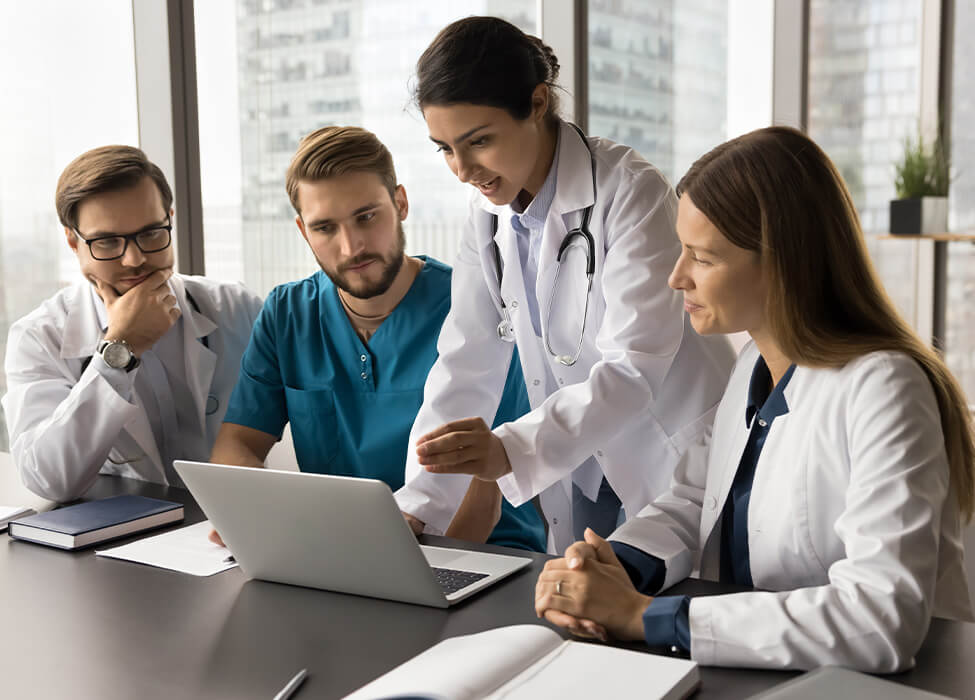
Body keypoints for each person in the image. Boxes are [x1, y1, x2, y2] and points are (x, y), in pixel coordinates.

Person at [533, 126, 975, 672]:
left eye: (702, 257)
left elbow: (881, 616)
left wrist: (646, 617)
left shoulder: (885, 388)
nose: (676, 278)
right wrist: (616, 564)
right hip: (761, 673)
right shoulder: (751, 368)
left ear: (783, 263)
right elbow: (697, 498)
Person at [395, 16, 736, 553]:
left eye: (478, 141)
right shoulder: (487, 216)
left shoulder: (630, 191)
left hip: (667, 456)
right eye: (444, 148)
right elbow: (466, 360)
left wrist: (509, 449)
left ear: (535, 104)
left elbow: (633, 367)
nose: (462, 169)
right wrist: (417, 504)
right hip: (577, 469)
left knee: (662, 616)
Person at [209, 126, 545, 551]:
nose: (352, 247)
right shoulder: (287, 313)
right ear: (302, 231)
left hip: (482, 554)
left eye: (366, 217)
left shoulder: (479, 307)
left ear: (400, 203)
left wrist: (406, 573)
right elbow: (236, 444)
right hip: (342, 557)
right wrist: (250, 511)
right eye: (326, 228)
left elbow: (486, 495)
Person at [2, 146, 262, 502]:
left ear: (170, 218)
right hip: (117, 548)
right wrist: (120, 350)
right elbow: (49, 480)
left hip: (229, 532)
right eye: (107, 241)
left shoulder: (236, 308)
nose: (134, 259)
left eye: (152, 233)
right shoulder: (39, 337)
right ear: (72, 241)